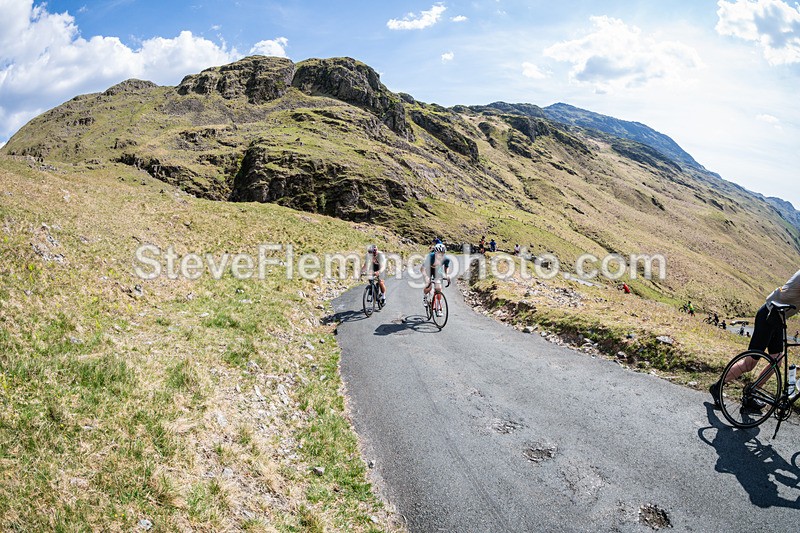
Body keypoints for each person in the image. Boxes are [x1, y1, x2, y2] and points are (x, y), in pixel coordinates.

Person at [710, 269, 800, 409]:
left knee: (776, 360)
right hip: (768, 315)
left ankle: (751, 393)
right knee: (749, 363)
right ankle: (717, 386)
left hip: (778, 319)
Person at [423, 243, 451, 316]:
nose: (440, 255)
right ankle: (425, 296)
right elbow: (423, 269)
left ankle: (439, 308)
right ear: (435, 253)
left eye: (442, 254)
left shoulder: (446, 259)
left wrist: (447, 275)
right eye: (439, 253)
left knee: (438, 288)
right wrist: (426, 277)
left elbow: (446, 267)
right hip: (428, 268)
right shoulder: (430, 257)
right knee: (428, 285)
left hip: (438, 269)